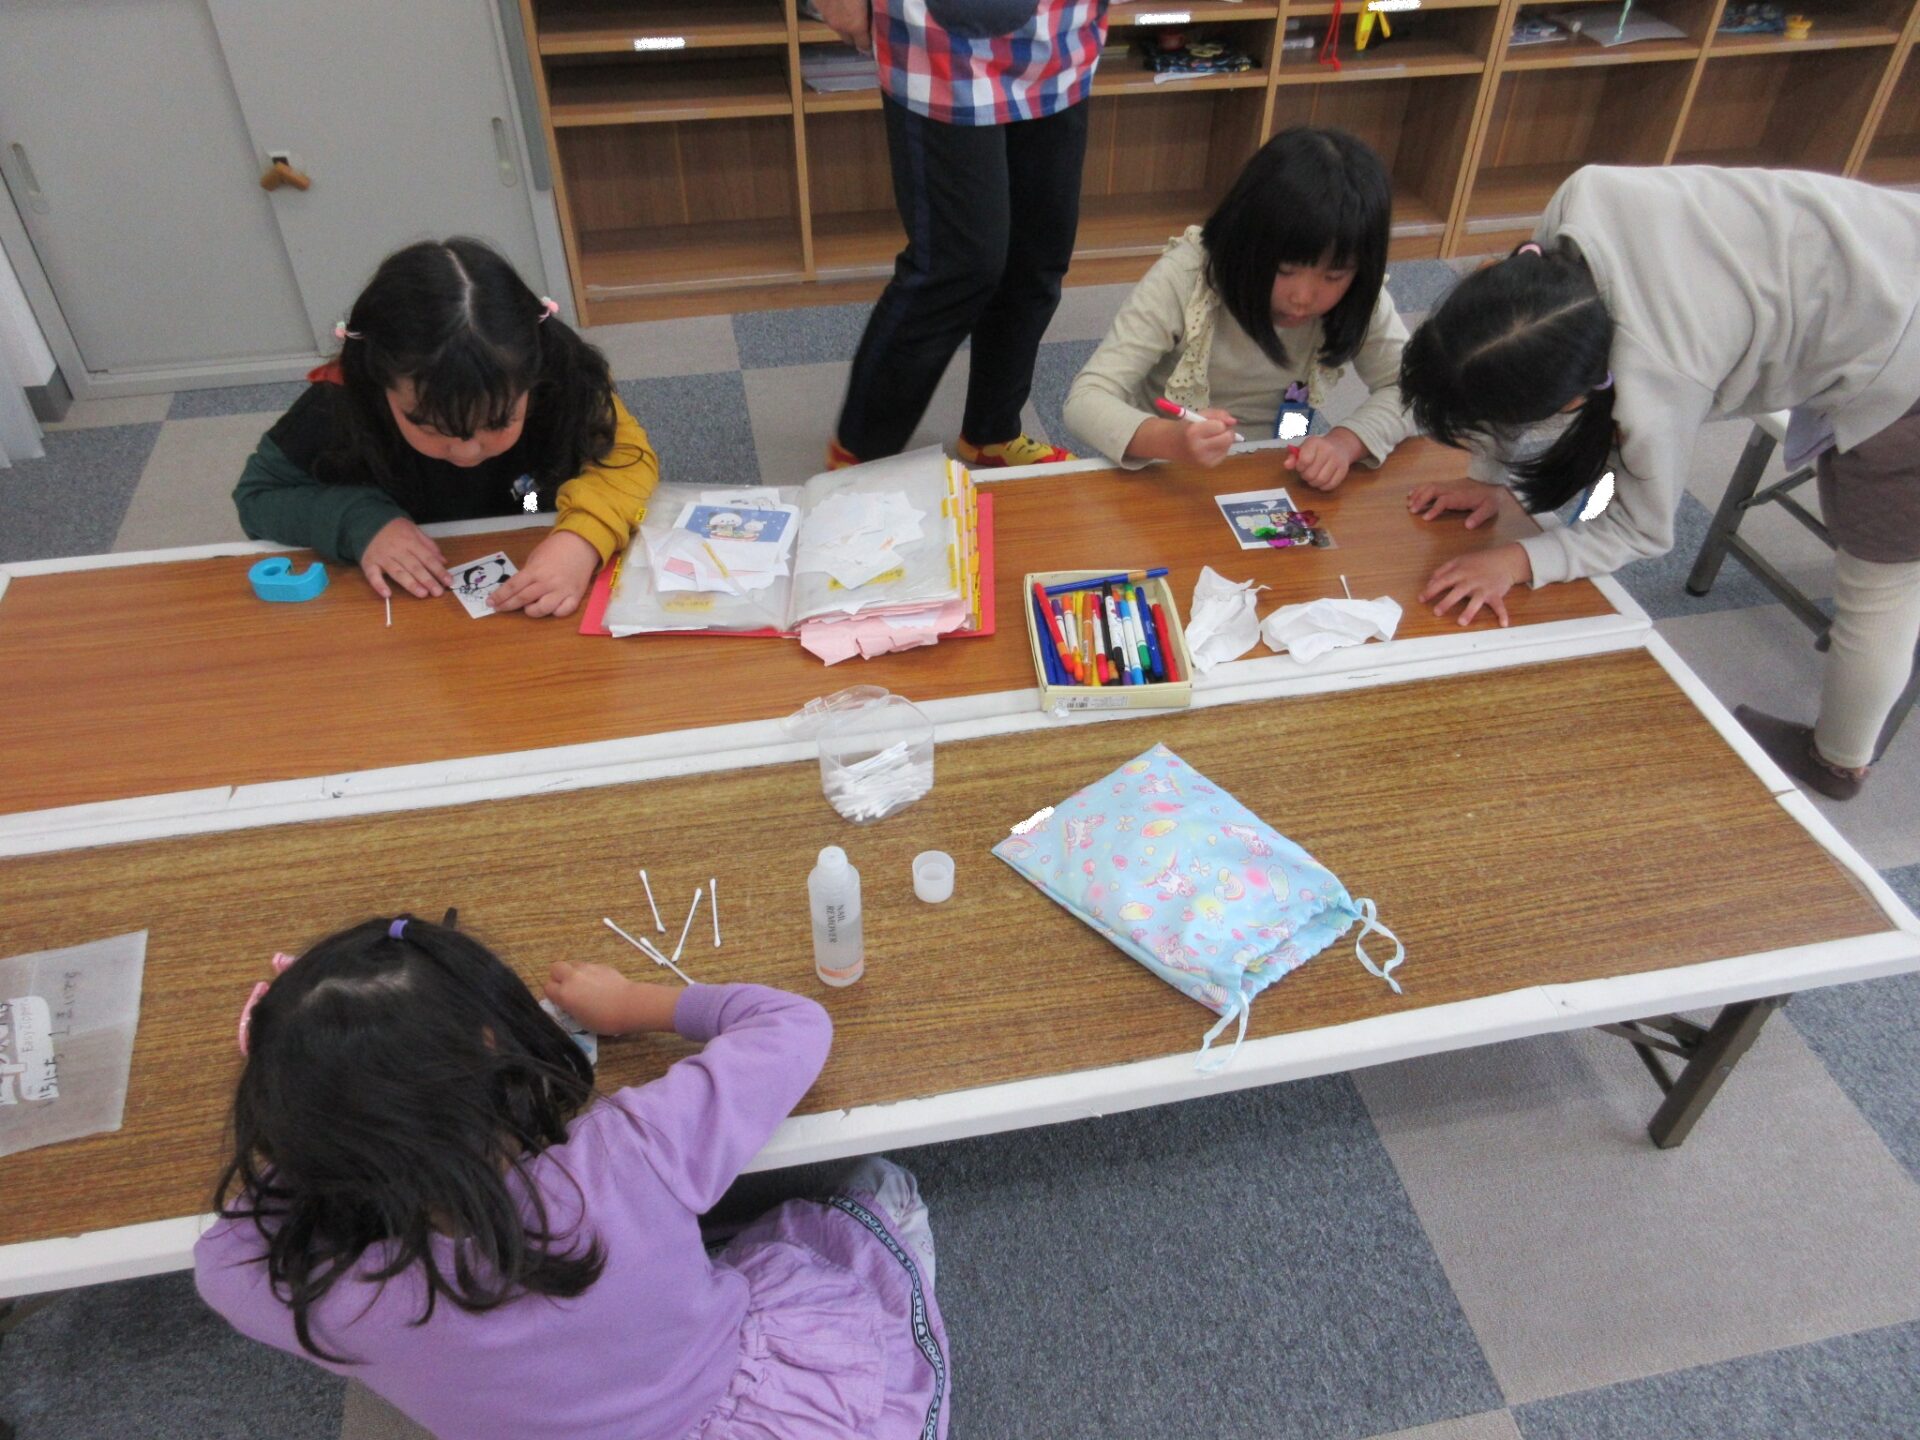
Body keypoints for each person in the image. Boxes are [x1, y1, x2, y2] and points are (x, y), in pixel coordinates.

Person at [196, 917, 951, 1440]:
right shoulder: (621, 1156)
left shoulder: (309, 1291)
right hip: (747, 1407)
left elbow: (221, 1253)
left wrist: (316, 1099)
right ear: (499, 1048)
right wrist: (633, 1004)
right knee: (877, 1192)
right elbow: (795, 1025)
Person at [1397, 165, 1920, 800]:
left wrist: (1520, 559)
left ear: (1574, 400)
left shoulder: (1655, 388)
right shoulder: (1578, 209)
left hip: (1904, 347)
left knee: (1883, 584)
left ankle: (1837, 761)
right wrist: (1489, 478)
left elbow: (1644, 529)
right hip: (1882, 242)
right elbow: (1514, 354)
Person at [233, 239, 658, 619]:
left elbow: (626, 459)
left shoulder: (566, 378)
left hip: (529, 506)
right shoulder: (337, 403)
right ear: (379, 382)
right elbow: (257, 498)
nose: (467, 450)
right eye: (429, 425)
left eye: (497, 421)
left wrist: (582, 539)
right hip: (413, 552)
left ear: (534, 375)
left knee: (528, 500)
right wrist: (362, 523)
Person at [816, 0, 1109, 471]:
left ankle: (992, 433)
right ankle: (860, 457)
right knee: (957, 266)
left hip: (1061, 39)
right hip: (939, 40)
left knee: (1037, 258)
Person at [1063, 126, 1411, 485]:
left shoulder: (1360, 292)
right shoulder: (1188, 277)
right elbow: (1086, 399)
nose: (1303, 297)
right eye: (1285, 270)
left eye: (1334, 275)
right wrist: (1172, 440)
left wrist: (1345, 442)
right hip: (1164, 469)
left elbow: (1411, 389)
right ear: (1245, 241)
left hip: (1278, 463)